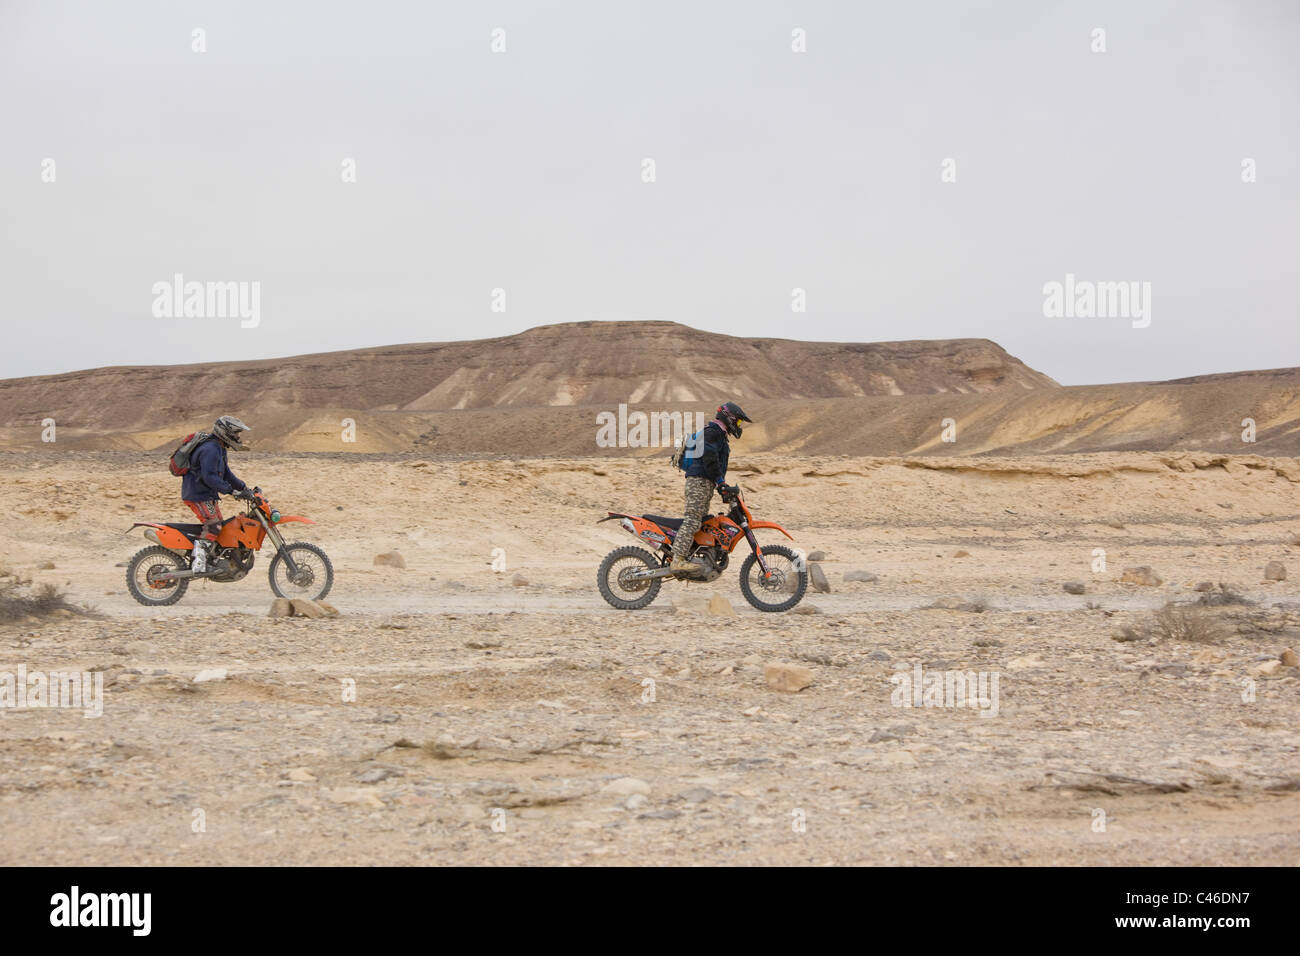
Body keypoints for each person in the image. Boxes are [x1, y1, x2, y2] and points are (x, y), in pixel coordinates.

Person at [670, 401, 753, 577]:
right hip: (698, 481)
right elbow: (710, 458)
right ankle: (677, 559)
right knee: (693, 520)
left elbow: (714, 463)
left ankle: (694, 557)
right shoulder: (712, 432)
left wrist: (721, 485)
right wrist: (720, 482)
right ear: (729, 418)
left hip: (704, 483)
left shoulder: (719, 434)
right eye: (737, 422)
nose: (738, 426)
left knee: (701, 521)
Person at [181, 416, 251, 573]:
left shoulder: (219, 449)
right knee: (214, 526)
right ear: (225, 432)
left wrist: (245, 489)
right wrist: (231, 491)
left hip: (207, 495)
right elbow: (209, 477)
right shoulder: (210, 449)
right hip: (198, 495)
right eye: (236, 433)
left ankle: (212, 558)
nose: (238, 437)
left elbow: (226, 474)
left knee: (222, 527)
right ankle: (199, 563)